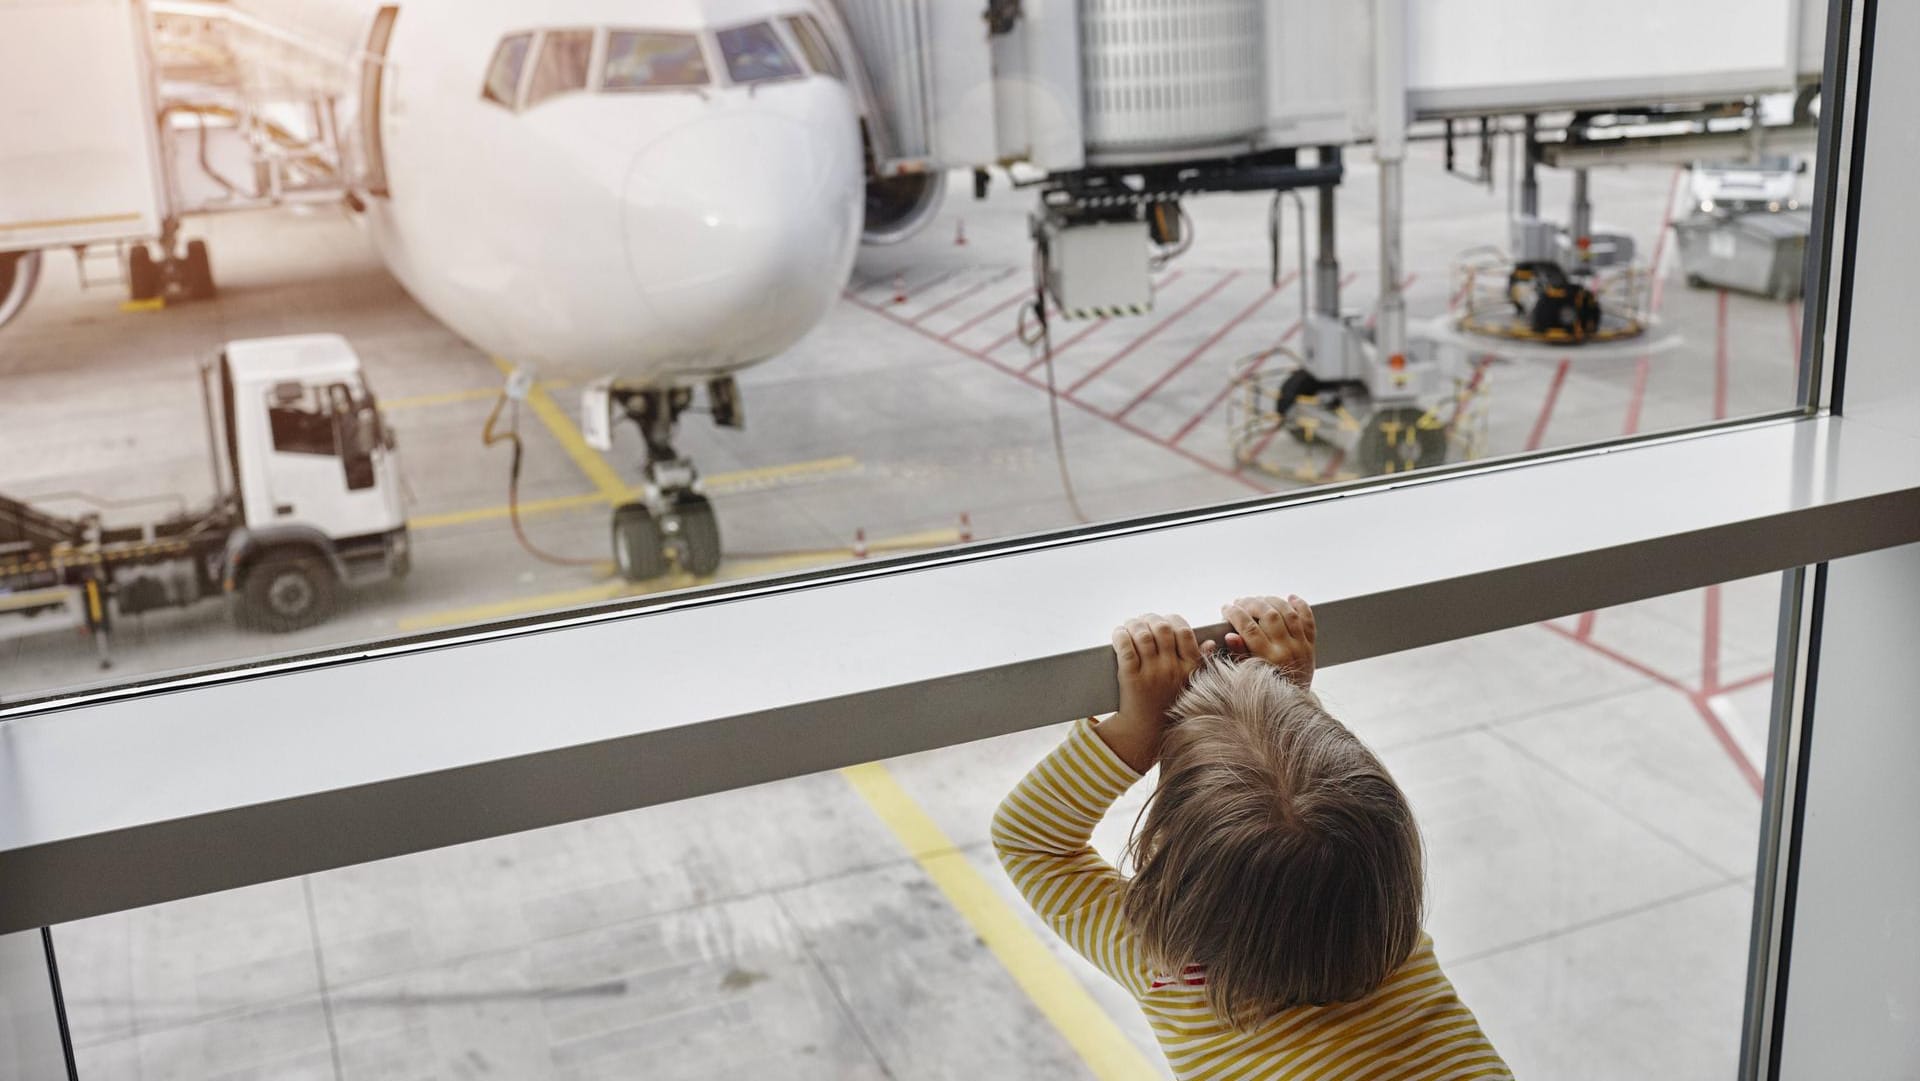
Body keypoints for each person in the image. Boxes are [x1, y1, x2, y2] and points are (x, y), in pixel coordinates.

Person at [991, 595, 1510, 1080]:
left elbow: (1028, 840)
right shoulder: (1384, 927)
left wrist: (1136, 729)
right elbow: (1324, 818)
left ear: (1179, 873)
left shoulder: (1166, 971)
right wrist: (1284, 700)